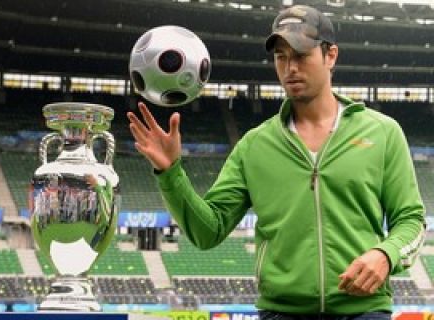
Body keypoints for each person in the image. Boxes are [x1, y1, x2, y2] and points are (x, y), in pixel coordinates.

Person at [127, 5, 426, 319]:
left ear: (331, 56)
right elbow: (208, 231)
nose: (290, 68)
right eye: (281, 57)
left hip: (364, 312)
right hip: (281, 313)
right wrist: (170, 172)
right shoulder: (255, 146)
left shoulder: (382, 133)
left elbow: (411, 221)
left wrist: (384, 255)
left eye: (300, 55)